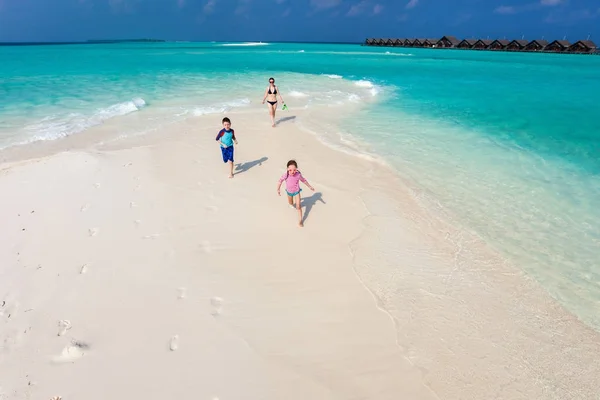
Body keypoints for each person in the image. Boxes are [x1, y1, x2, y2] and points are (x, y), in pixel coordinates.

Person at [276, 160, 314, 227]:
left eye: (294, 170)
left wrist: (310, 186)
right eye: (290, 170)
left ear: (296, 169)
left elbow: (304, 180)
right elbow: (280, 181)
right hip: (289, 192)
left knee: (298, 206)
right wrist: (278, 189)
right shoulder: (286, 175)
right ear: (287, 169)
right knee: (291, 203)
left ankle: (300, 221)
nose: (292, 172)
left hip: (297, 192)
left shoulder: (298, 175)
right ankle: (291, 204)